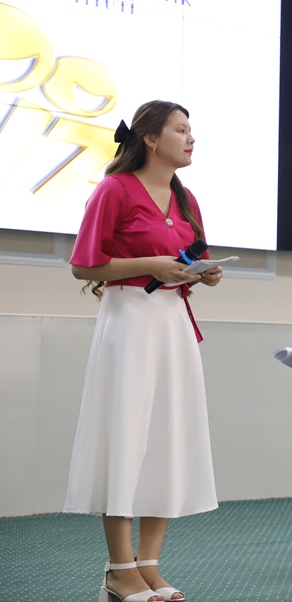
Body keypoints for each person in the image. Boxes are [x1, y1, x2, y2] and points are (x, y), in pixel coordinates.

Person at [66, 100, 224, 602]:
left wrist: (204, 272)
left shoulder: (186, 198)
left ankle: (148, 564)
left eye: (191, 130)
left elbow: (193, 257)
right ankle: (119, 569)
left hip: (173, 322)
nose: (191, 138)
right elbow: (83, 265)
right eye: (181, 129)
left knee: (166, 437)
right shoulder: (114, 189)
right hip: (129, 320)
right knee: (126, 437)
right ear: (151, 139)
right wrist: (150, 263)